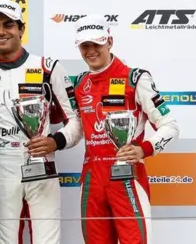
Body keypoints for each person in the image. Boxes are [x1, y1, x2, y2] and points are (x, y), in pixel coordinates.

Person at [0, 0, 83, 244]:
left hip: (42, 160)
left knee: (47, 239)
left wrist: (56, 141)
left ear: (21, 29)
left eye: (8, 25)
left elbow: (75, 120)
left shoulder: (47, 67)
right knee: (5, 239)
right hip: (3, 163)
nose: (1, 32)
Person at [72, 14, 180, 243]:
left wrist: (143, 149)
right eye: (84, 45)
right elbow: (76, 129)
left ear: (109, 41)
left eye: (96, 44)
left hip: (127, 176)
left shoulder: (135, 78)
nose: (90, 51)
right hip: (92, 179)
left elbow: (170, 126)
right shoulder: (80, 83)